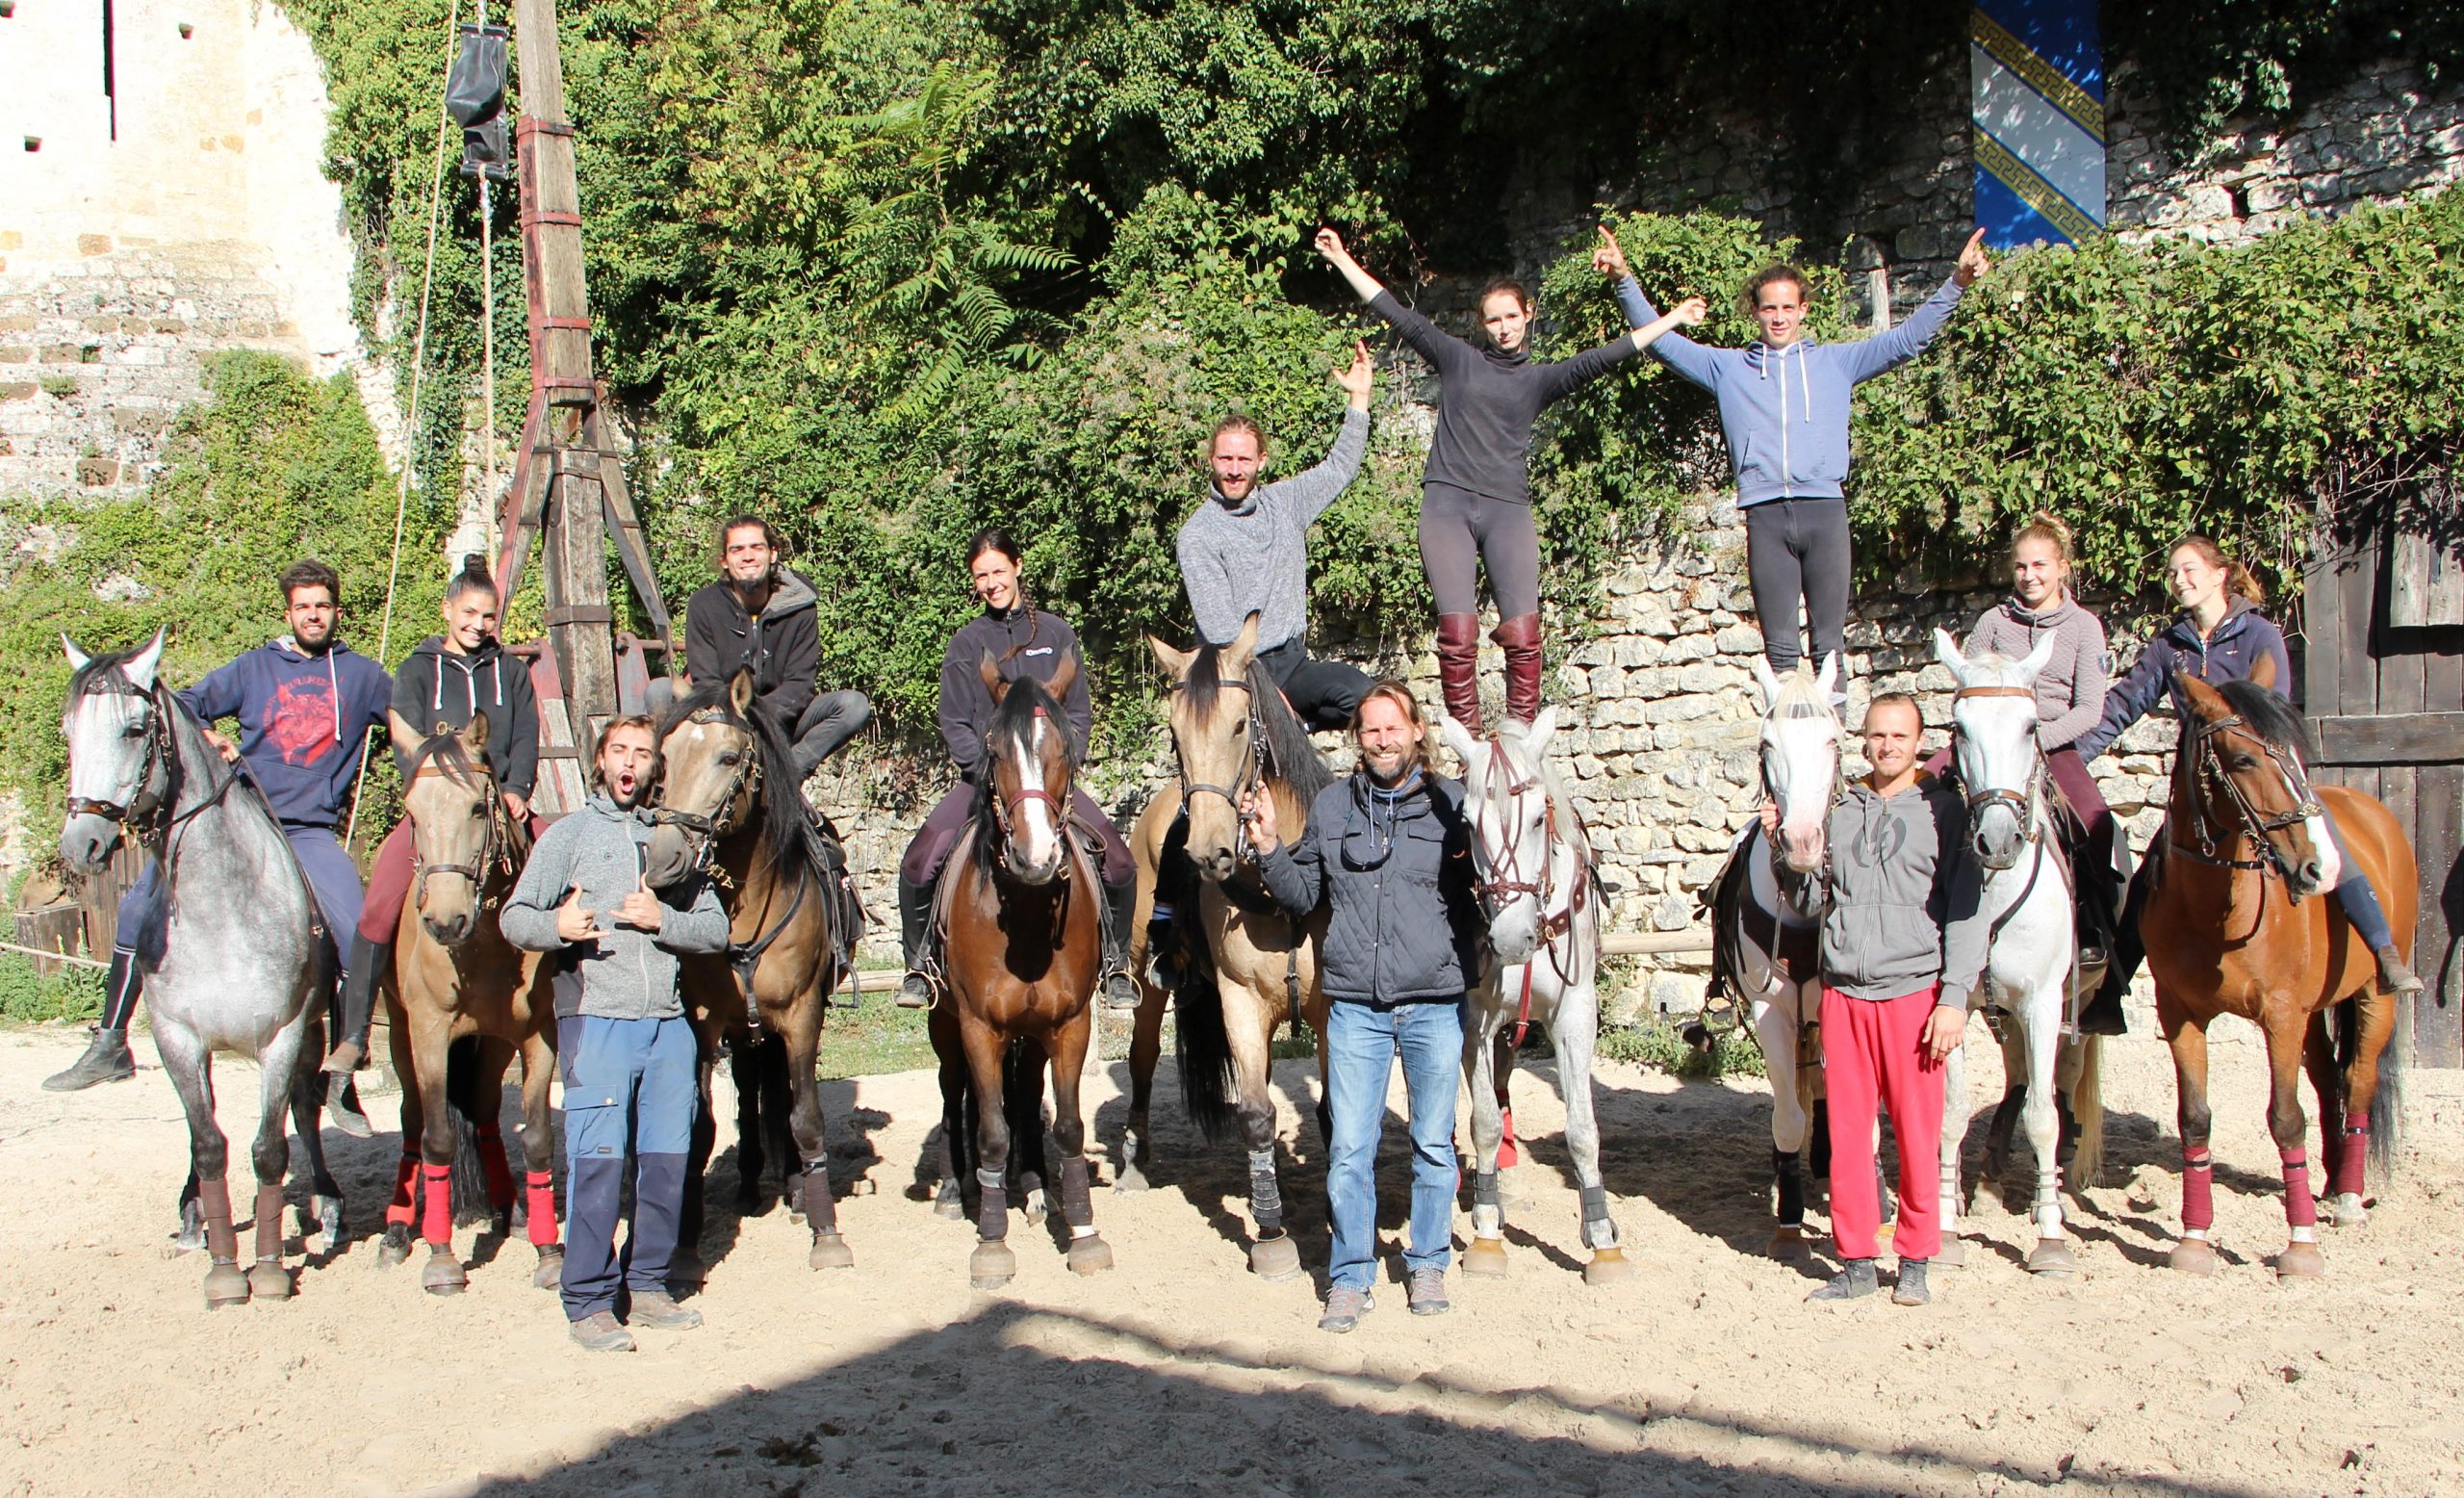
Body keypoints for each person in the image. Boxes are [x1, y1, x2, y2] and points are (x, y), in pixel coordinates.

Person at [45, 559, 393, 1137]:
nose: (313, 614)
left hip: (307, 831)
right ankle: (109, 1041)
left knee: (358, 927)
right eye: (303, 605)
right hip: (244, 818)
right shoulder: (254, 668)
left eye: (323, 605)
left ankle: (341, 1075)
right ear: (289, 611)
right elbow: (179, 706)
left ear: (336, 611)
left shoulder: (360, 676)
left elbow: (406, 723)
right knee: (136, 907)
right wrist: (210, 737)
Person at [1314, 226, 1706, 733]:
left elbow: (1611, 353)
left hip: (1507, 511)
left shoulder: (1538, 379)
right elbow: (1396, 312)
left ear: (1528, 315)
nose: (1503, 328)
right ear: (1482, 324)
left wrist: (1672, 318)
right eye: (1494, 320)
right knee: (1458, 633)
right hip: (1447, 507)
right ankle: (1468, 743)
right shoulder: (1459, 359)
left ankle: (1521, 735)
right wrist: (1343, 259)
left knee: (1524, 633)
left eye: (1512, 317)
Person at [1595, 225, 1991, 684]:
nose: (1778, 317)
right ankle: (1781, 752)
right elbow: (1660, 341)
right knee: (1780, 655)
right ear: (1755, 312)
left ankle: (1833, 752)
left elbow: (1906, 341)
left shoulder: (1835, 363)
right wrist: (1623, 280)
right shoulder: (1728, 368)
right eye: (1769, 308)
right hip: (1766, 516)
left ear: (1803, 309)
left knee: (1829, 650)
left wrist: (1956, 283)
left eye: (1788, 307)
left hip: (1824, 512)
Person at [2077, 534, 2423, 1011]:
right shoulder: (2169, 648)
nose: (2180, 580)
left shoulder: (2258, 634)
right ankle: (2112, 993)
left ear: (2220, 575)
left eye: (2190, 569)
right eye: (2173, 572)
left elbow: (2271, 705)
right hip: (2205, 786)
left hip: (2263, 766)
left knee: (2327, 844)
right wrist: (2075, 758)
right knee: (2155, 869)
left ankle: (2384, 951)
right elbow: (2122, 707)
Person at [1242, 681, 1487, 1332]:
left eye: (1393, 728)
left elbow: (1488, 888)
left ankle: (1428, 1261)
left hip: (1434, 1001)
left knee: (1434, 1144)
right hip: (1354, 1007)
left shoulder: (1453, 807)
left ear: (1415, 731)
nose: (1382, 740)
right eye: (1370, 730)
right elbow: (1300, 896)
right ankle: (1351, 1276)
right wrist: (1268, 846)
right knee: (1350, 1147)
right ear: (1358, 738)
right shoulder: (1331, 808)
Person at [498, 714, 730, 1353]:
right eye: (620, 751)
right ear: (601, 761)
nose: (631, 762)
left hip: (668, 1029)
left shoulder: (670, 841)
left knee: (665, 1163)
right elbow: (515, 917)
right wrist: (558, 929)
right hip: (596, 1020)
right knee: (598, 1165)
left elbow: (716, 930)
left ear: (655, 767)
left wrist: (665, 920)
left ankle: (649, 1285)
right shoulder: (568, 837)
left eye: (643, 754)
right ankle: (590, 1302)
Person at [1766, 691, 1987, 1305]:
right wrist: (1789, 859)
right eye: (1876, 736)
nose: (1886, 746)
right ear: (1863, 741)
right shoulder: (1839, 812)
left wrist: (1955, 998)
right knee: (1848, 1133)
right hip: (1846, 994)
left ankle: (1914, 1258)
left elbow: (1968, 914)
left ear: (1920, 743)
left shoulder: (1946, 814)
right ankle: (1856, 1261)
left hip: (1915, 993)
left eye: (1898, 736)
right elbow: (1810, 906)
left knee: (1917, 1135)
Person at [893, 529, 1139, 1012]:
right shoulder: (966, 644)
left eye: (998, 571)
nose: (991, 583)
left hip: (1047, 783)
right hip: (987, 780)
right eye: (981, 576)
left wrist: (1059, 769)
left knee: (1121, 863)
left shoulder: (1057, 635)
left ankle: (1115, 965)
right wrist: (987, 771)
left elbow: (1080, 716)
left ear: (1018, 567)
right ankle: (920, 964)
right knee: (920, 862)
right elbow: (954, 720)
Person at [1952, 513, 2124, 1020]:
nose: (2030, 575)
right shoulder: (1992, 624)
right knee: (1926, 797)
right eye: (2022, 566)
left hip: (2052, 742)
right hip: (1993, 744)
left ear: (2062, 569)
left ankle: (2095, 935)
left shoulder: (2084, 628)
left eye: (2041, 566)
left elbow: (2091, 709)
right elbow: (1967, 688)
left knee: (2097, 824)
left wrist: (2034, 741)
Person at [1175, 342, 1377, 734]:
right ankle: (1283, 727)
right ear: (1212, 461)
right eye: (1225, 460)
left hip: (1293, 663)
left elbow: (1338, 469)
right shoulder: (1197, 535)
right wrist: (1266, 695)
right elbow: (1223, 637)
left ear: (1261, 461)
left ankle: (1297, 727)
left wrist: (1359, 398)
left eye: (1244, 460)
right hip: (1236, 675)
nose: (1234, 470)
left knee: (1365, 700)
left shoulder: (1286, 504)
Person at [682, 515, 872, 779]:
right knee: (657, 693)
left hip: (783, 721)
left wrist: (758, 717)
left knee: (853, 706)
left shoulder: (800, 605)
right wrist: (735, 717)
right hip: (723, 719)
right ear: (724, 561)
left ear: (772, 554)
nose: (747, 556)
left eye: (756, 547)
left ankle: (784, 777)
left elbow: (799, 684)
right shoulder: (704, 606)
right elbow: (706, 681)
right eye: (737, 549)